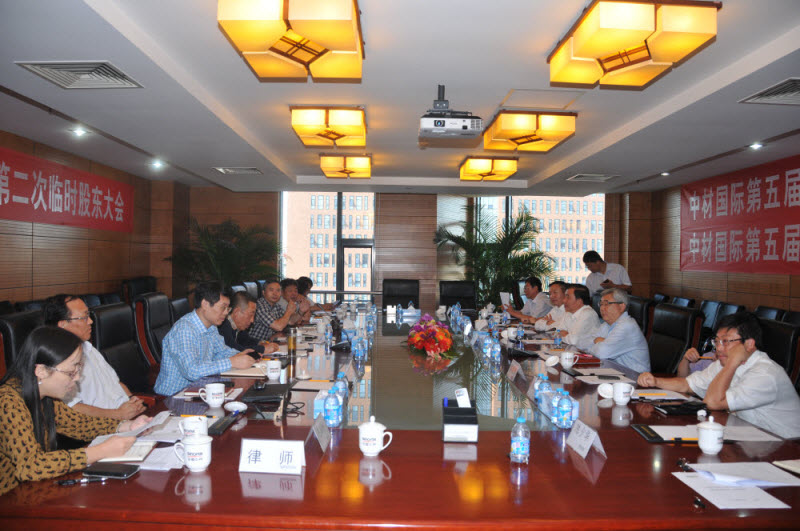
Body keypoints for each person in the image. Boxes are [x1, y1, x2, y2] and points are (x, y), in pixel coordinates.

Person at [0, 327, 151, 495]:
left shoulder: (45, 396)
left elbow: (80, 424)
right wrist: (100, 451)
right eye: (71, 372)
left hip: (32, 491)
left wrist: (126, 425)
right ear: (41, 371)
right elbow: (30, 466)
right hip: (9, 498)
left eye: (78, 369)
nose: (77, 378)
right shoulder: (7, 402)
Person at [637, 312, 800, 439]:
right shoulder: (724, 363)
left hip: (785, 446)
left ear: (749, 344)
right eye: (717, 341)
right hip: (750, 437)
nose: (719, 348)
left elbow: (712, 402)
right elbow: (688, 384)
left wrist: (732, 363)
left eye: (726, 342)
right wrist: (655, 381)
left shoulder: (765, 374)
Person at [42, 295, 146, 420]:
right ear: (63, 324)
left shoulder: (88, 347)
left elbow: (115, 382)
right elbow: (71, 409)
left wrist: (132, 401)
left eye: (89, 315)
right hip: (104, 424)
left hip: (128, 416)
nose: (90, 321)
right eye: (84, 317)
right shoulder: (58, 362)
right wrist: (118, 414)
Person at [154, 282, 256, 396]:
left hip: (199, 391)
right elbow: (192, 371)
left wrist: (241, 355)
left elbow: (221, 352)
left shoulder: (211, 326)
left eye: (228, 308)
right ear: (205, 304)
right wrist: (232, 362)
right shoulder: (184, 329)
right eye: (223, 307)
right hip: (173, 397)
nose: (226, 313)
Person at [576, 288, 650, 373]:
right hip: (615, 372)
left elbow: (601, 353)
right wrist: (596, 340)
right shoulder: (607, 325)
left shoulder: (627, 326)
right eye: (601, 304)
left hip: (635, 377)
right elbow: (580, 343)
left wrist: (598, 343)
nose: (602, 308)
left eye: (607, 304)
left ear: (621, 307)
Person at [218, 291, 279, 357]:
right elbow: (233, 349)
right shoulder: (223, 326)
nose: (252, 320)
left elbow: (246, 341)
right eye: (250, 315)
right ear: (236, 312)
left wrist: (261, 343)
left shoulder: (238, 328)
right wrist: (262, 349)